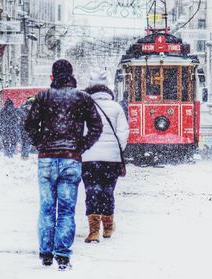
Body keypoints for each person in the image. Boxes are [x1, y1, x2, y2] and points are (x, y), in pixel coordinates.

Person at [24, 59, 103, 270]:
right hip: (71, 159)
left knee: (47, 208)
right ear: (71, 75)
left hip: (47, 160)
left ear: (53, 76)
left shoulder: (43, 97)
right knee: (67, 209)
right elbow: (96, 127)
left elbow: (29, 124)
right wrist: (80, 146)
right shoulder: (83, 98)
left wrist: (41, 143)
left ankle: (46, 252)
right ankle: (63, 255)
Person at [82, 69, 129, 243]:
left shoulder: (85, 107)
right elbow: (123, 132)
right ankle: (108, 228)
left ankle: (94, 231)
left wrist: (84, 149)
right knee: (107, 191)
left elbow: (80, 131)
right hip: (112, 159)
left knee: (92, 191)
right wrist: (117, 150)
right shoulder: (116, 107)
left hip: (89, 158)